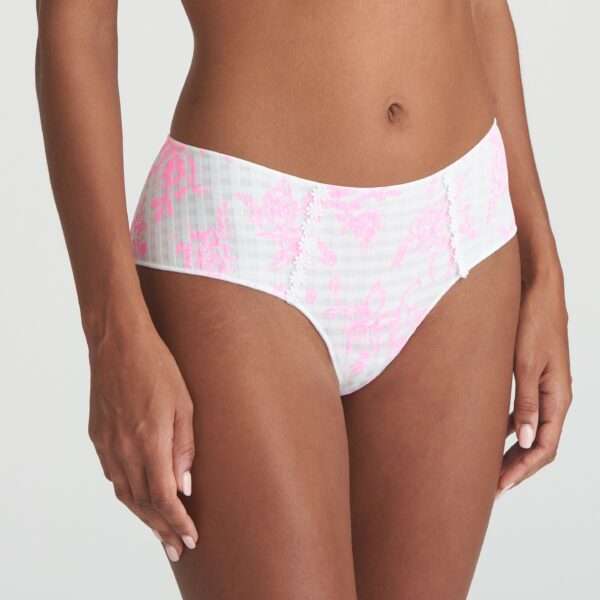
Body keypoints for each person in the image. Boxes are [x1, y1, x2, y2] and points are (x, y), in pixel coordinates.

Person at [35, 1, 573, 598]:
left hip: (460, 233)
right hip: (245, 243)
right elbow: (77, 25)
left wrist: (542, 267)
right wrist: (111, 334)